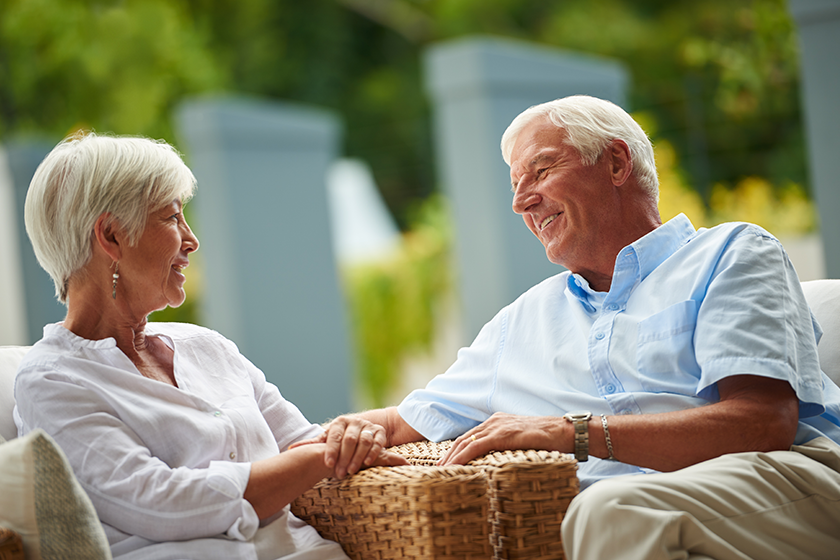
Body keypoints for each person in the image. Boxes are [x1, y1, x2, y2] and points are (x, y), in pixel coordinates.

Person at [306, 95, 840, 559]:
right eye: (516, 186)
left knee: (611, 511)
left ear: (614, 163)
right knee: (606, 512)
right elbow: (407, 422)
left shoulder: (732, 252)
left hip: (792, 474)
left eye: (540, 171)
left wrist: (568, 432)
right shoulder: (522, 321)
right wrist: (356, 428)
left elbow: (762, 424)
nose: (521, 202)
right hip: (636, 514)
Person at [13, 132, 406, 560]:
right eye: (171, 217)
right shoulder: (51, 381)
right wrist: (322, 458)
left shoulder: (208, 348)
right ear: (110, 235)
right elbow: (160, 503)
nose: (191, 239)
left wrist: (350, 437)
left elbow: (305, 442)